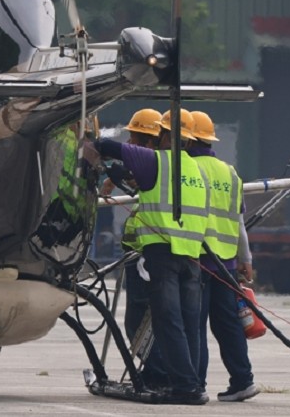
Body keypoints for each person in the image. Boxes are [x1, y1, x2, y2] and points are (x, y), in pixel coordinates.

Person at [85, 108, 209, 405]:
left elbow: (106, 147)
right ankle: (193, 382)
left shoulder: (155, 160)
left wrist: (92, 136)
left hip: (162, 251)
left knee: (169, 320)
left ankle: (183, 387)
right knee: (190, 322)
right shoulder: (195, 169)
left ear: (163, 135)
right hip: (191, 253)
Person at [189, 110, 259, 403]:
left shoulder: (188, 169)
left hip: (199, 259)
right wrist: (247, 260)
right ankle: (243, 380)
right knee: (228, 324)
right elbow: (239, 222)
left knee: (195, 323)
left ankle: (196, 384)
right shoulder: (229, 172)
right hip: (228, 262)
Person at [106, 108, 167, 387]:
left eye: (137, 139)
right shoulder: (154, 164)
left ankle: (157, 375)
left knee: (138, 322)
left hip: (148, 254)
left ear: (151, 140)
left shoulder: (154, 163)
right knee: (149, 321)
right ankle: (155, 372)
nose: (131, 144)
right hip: (141, 253)